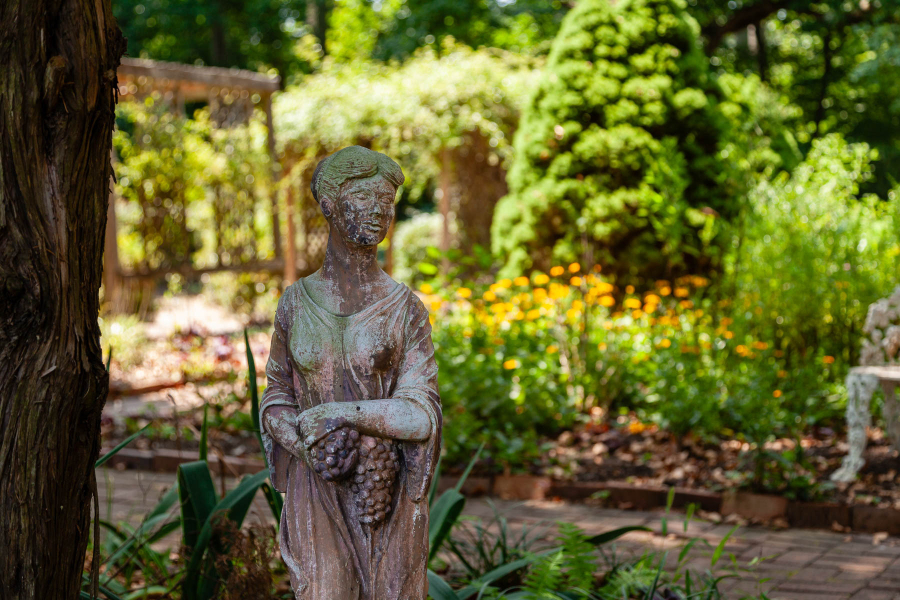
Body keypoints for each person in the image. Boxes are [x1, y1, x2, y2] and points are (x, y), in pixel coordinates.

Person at [260, 146, 442, 600]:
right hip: (315, 482)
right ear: (329, 205)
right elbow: (276, 394)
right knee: (325, 590)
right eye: (364, 198)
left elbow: (421, 416)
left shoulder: (404, 309)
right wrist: (303, 442)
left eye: (388, 201)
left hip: (385, 490)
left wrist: (343, 415)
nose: (380, 211)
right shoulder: (295, 303)